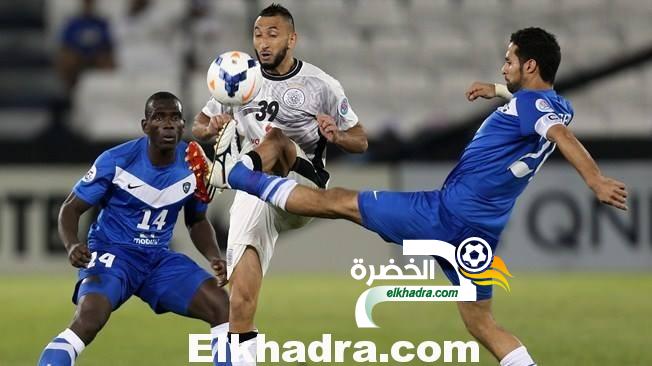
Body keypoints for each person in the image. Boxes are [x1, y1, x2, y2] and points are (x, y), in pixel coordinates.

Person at [194, 28, 628, 366]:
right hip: (480, 238)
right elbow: (544, 111)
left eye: (510, 60)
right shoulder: (554, 102)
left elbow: (560, 134)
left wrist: (595, 180)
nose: (503, 66)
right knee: (481, 323)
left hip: (442, 214)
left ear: (530, 65)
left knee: (341, 202)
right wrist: (496, 92)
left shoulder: (544, 115)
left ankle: (239, 176)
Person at [189, 3, 367, 364]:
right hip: (256, 191)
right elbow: (199, 124)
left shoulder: (321, 84)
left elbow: (360, 139)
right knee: (240, 300)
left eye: (273, 34)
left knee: (276, 139)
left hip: (302, 187)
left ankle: (226, 174)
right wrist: (210, 128)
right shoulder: (240, 77)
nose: (264, 43)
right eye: (258, 34)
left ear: (292, 38)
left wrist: (337, 135)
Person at [37, 92, 230, 366]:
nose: (167, 124)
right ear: (145, 125)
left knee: (221, 305)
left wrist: (213, 256)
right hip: (113, 254)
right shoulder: (116, 160)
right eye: (159, 117)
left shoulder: (193, 165)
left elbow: (196, 220)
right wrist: (71, 244)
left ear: (183, 125)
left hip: (157, 261)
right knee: (89, 319)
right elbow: (70, 208)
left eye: (174, 117)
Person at [57, 0, 115, 91]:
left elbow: (108, 45)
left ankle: (105, 89)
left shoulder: (101, 23)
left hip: (96, 57)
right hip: (78, 57)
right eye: (86, 3)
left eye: (90, 3)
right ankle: (69, 91)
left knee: (106, 60)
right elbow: (65, 44)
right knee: (68, 59)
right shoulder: (73, 23)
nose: (88, 6)